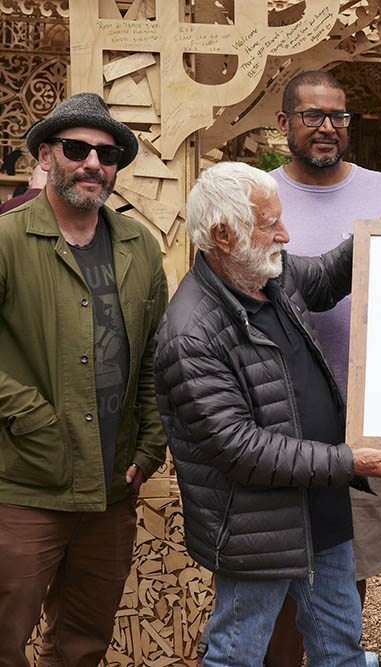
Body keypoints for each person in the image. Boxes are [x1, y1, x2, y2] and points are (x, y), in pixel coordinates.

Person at [153, 161, 381, 666]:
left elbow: (322, 275)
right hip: (259, 527)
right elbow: (239, 448)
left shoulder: (270, 275)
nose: (285, 233)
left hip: (320, 508)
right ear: (224, 235)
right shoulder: (190, 332)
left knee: (340, 647)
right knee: (237, 652)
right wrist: (351, 462)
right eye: (270, 223)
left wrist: (375, 236)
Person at [0, 92, 168, 665]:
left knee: (81, 645)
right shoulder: (6, 238)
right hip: (24, 484)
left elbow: (152, 357)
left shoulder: (139, 245)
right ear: (47, 155)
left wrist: (149, 446)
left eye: (108, 153)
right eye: (77, 149)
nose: (93, 163)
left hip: (112, 489)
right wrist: (35, 417)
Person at [267, 69, 381, 667]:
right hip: (279, 421)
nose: (327, 128)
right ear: (285, 124)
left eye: (339, 117)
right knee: (278, 571)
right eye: (312, 116)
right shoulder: (260, 195)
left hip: (366, 416)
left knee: (349, 571)